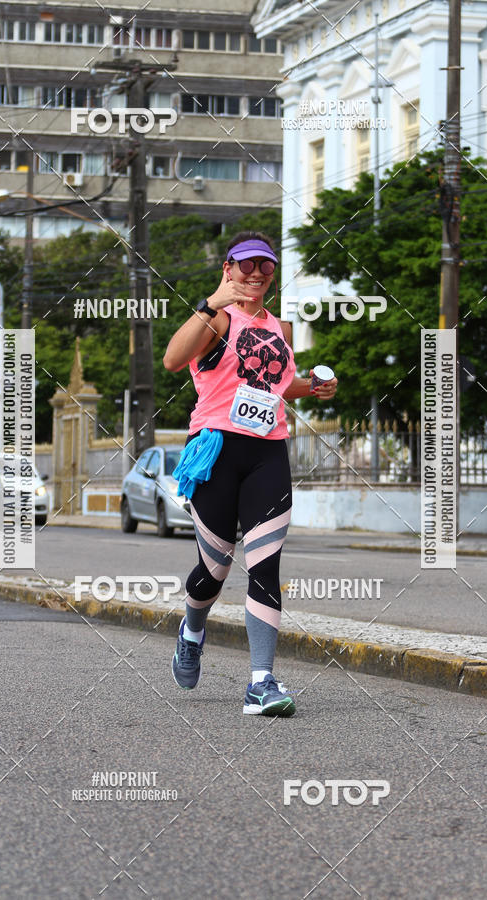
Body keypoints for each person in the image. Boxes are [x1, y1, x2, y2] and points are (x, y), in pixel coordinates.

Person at [163, 231, 338, 717]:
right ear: (228, 268)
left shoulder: (280, 328)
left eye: (265, 266)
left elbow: (276, 388)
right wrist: (208, 303)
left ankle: (261, 682)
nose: (256, 273)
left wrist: (313, 388)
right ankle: (193, 628)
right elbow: (173, 359)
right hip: (216, 451)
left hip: (268, 453)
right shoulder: (217, 318)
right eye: (246, 265)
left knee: (265, 563)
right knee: (214, 571)